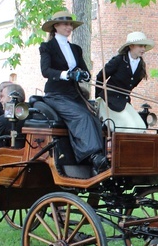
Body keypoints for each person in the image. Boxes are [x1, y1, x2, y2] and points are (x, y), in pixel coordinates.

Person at [39, 10, 108, 174]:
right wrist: (66, 74)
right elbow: (46, 71)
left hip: (74, 94)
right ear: (56, 26)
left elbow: (85, 71)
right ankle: (93, 157)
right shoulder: (47, 47)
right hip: (55, 94)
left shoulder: (76, 49)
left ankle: (102, 157)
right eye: (65, 24)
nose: (69, 27)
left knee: (95, 118)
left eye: (70, 24)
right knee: (81, 116)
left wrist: (83, 74)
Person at [95, 32, 154, 130]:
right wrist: (98, 98)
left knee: (141, 127)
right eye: (140, 46)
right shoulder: (118, 60)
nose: (143, 49)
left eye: (144, 46)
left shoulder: (141, 65)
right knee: (130, 127)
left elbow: (131, 85)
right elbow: (100, 77)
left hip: (124, 101)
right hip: (109, 101)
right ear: (131, 46)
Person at [0, 82, 26, 148]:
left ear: (11, 98)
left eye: (2, 96)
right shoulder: (33, 114)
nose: (1, 100)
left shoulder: (4, 120)